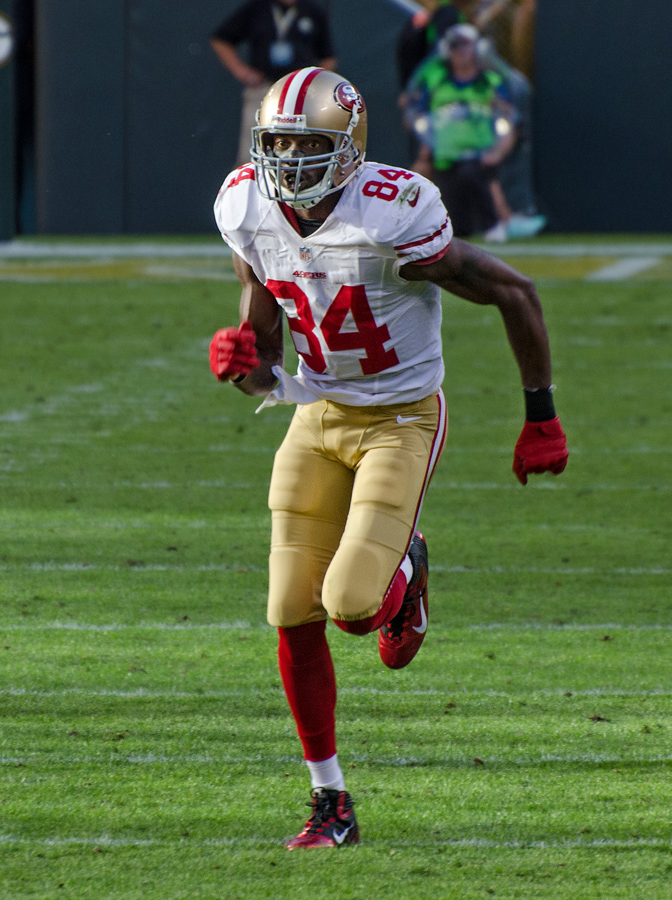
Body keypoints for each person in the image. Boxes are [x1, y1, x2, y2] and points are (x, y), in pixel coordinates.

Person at [210, 66, 568, 849]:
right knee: (288, 610)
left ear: (349, 149)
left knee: (352, 606)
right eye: (278, 145)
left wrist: (539, 415)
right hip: (315, 416)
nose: (290, 163)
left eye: (310, 146)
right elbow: (265, 352)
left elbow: (514, 291)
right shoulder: (246, 205)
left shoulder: (393, 214)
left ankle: (406, 564)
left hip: (399, 418)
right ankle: (330, 801)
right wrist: (245, 365)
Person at [404, 23, 543, 240]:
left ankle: (494, 224)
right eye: (455, 47)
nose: (460, 53)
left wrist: (498, 150)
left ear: (477, 49)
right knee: (455, 215)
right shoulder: (435, 80)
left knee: (472, 175)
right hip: (444, 154)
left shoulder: (491, 82)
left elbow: (509, 119)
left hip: (480, 153)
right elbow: (416, 115)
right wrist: (427, 146)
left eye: (465, 46)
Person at [210, 0, 336, 167]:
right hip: (263, 89)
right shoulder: (257, 8)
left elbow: (328, 56)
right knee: (252, 149)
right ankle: (251, 187)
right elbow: (221, 39)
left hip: (301, 94)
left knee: (301, 148)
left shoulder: (312, 10)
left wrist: (314, 86)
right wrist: (241, 71)